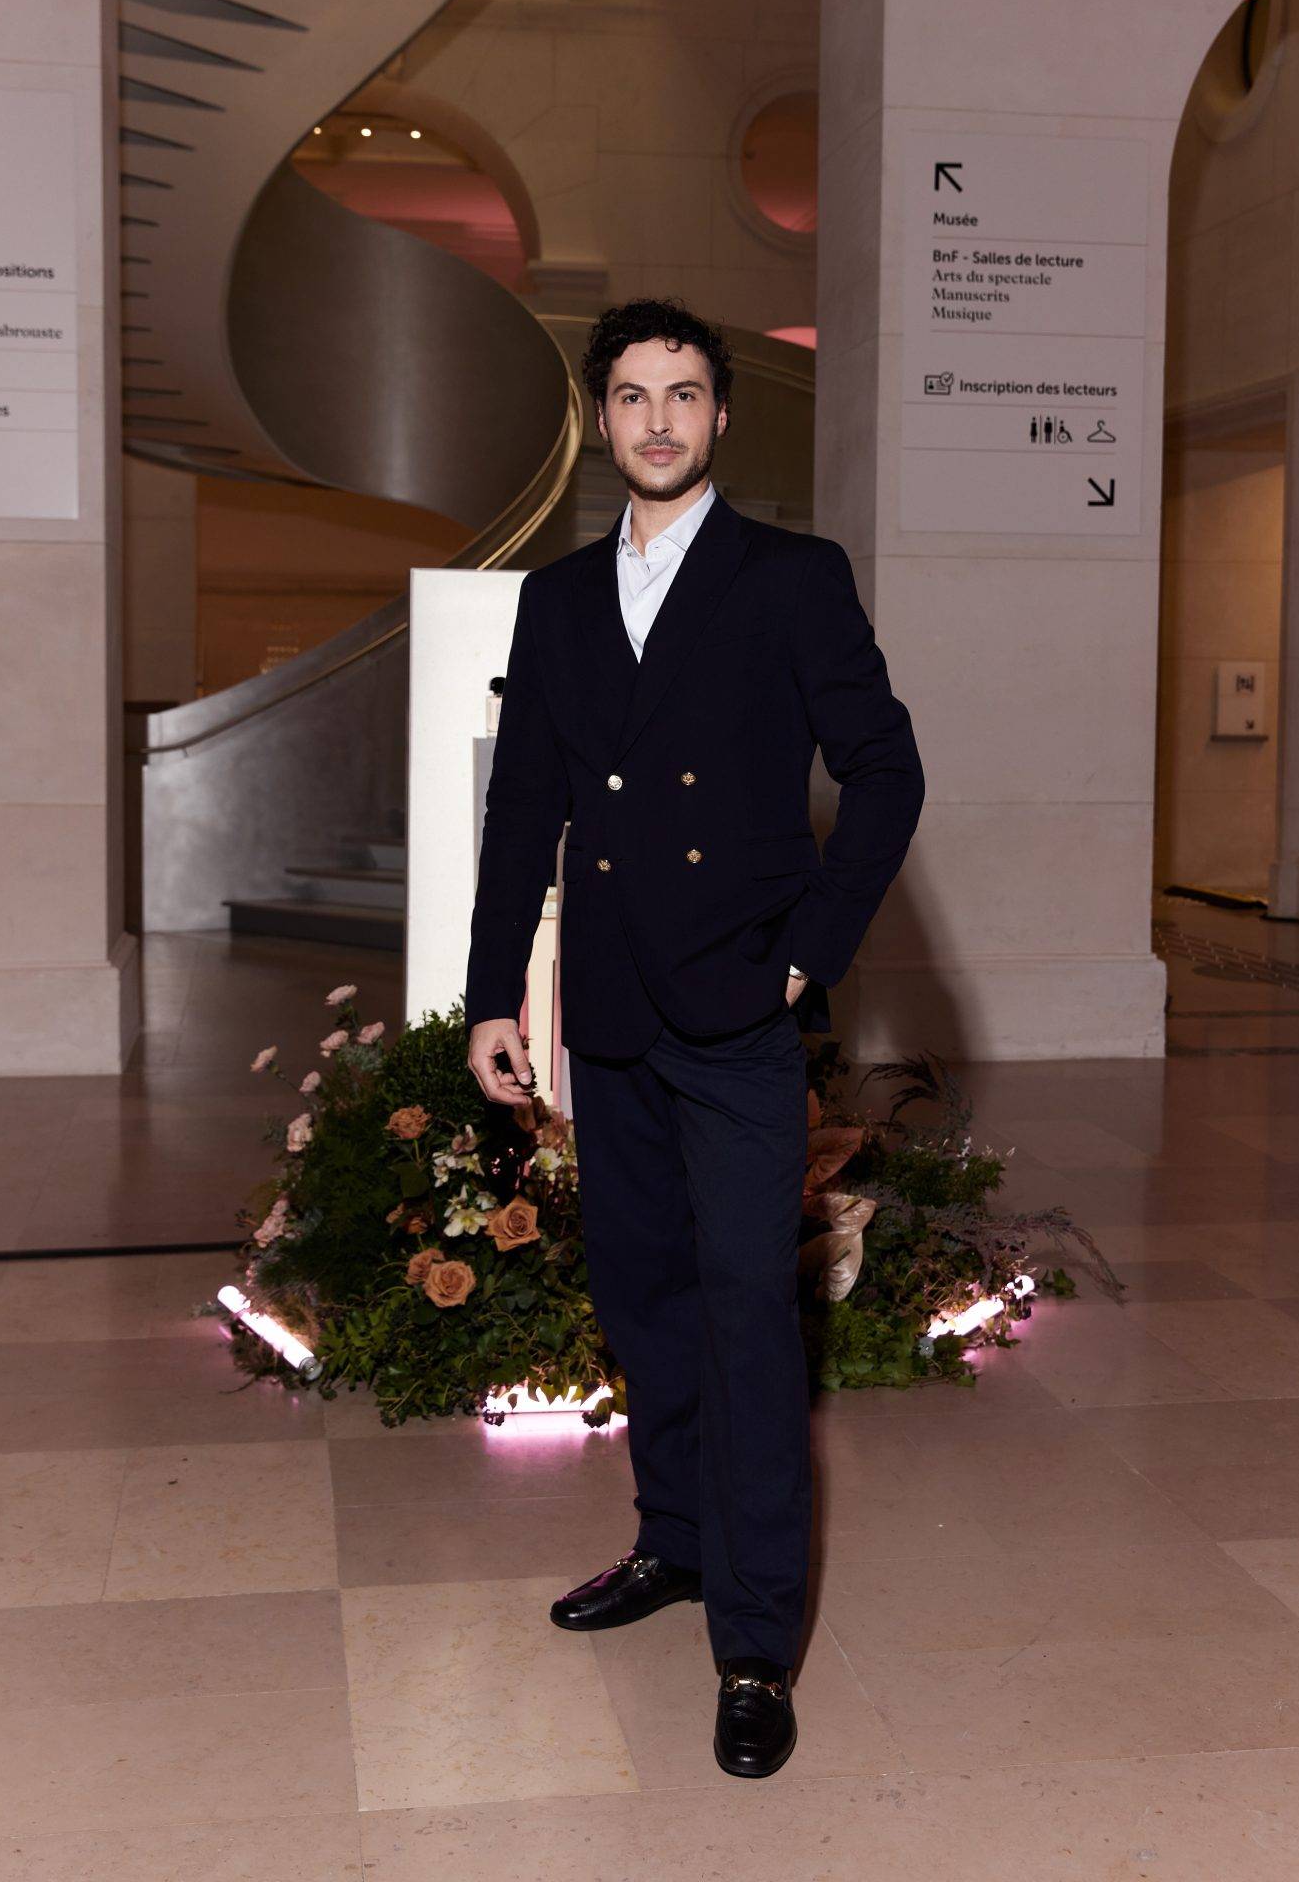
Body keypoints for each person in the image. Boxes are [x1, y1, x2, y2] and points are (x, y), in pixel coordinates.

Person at [464, 297, 925, 1778]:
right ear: (601, 421)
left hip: (735, 1011)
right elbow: (521, 813)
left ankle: (755, 1641)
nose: (659, 419)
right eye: (632, 396)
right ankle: (671, 1544)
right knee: (646, 1294)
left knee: (743, 1309)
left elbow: (886, 772)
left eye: (685, 394)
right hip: (607, 1014)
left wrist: (808, 956)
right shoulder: (554, 600)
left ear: (723, 418)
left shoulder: (791, 580)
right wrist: (490, 996)